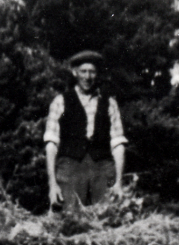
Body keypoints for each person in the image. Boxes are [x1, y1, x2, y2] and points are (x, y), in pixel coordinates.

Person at [44, 50, 127, 211]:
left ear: (97, 74)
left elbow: (118, 145)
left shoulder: (109, 103)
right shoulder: (60, 102)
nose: (87, 77)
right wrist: (52, 185)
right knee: (69, 219)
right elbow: (51, 145)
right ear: (75, 72)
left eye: (92, 72)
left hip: (102, 168)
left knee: (109, 217)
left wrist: (118, 183)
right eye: (83, 71)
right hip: (70, 168)